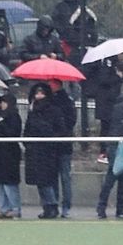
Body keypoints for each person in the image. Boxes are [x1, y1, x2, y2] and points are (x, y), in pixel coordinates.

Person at [96, 89, 123, 219]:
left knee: (114, 175)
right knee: (118, 177)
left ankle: (105, 207)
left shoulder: (117, 106)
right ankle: (116, 207)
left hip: (113, 142)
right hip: (122, 144)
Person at [23, 82, 64, 219]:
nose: (38, 95)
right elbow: (28, 129)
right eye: (37, 92)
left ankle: (51, 206)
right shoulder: (32, 111)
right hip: (34, 150)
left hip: (47, 150)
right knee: (40, 181)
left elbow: (59, 129)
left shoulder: (53, 110)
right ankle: (46, 207)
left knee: (46, 181)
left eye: (41, 92)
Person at [47, 78, 75, 218]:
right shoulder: (50, 100)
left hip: (62, 145)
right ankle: (55, 205)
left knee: (64, 177)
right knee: (56, 177)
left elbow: (71, 121)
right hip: (56, 145)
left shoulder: (65, 101)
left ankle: (64, 206)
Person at [0, 92, 23, 218]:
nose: (2, 105)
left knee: (9, 183)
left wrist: (1, 123)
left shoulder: (14, 116)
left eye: (4, 102)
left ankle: (15, 207)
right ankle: (3, 208)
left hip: (10, 153)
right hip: (0, 153)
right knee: (0, 183)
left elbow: (12, 133)